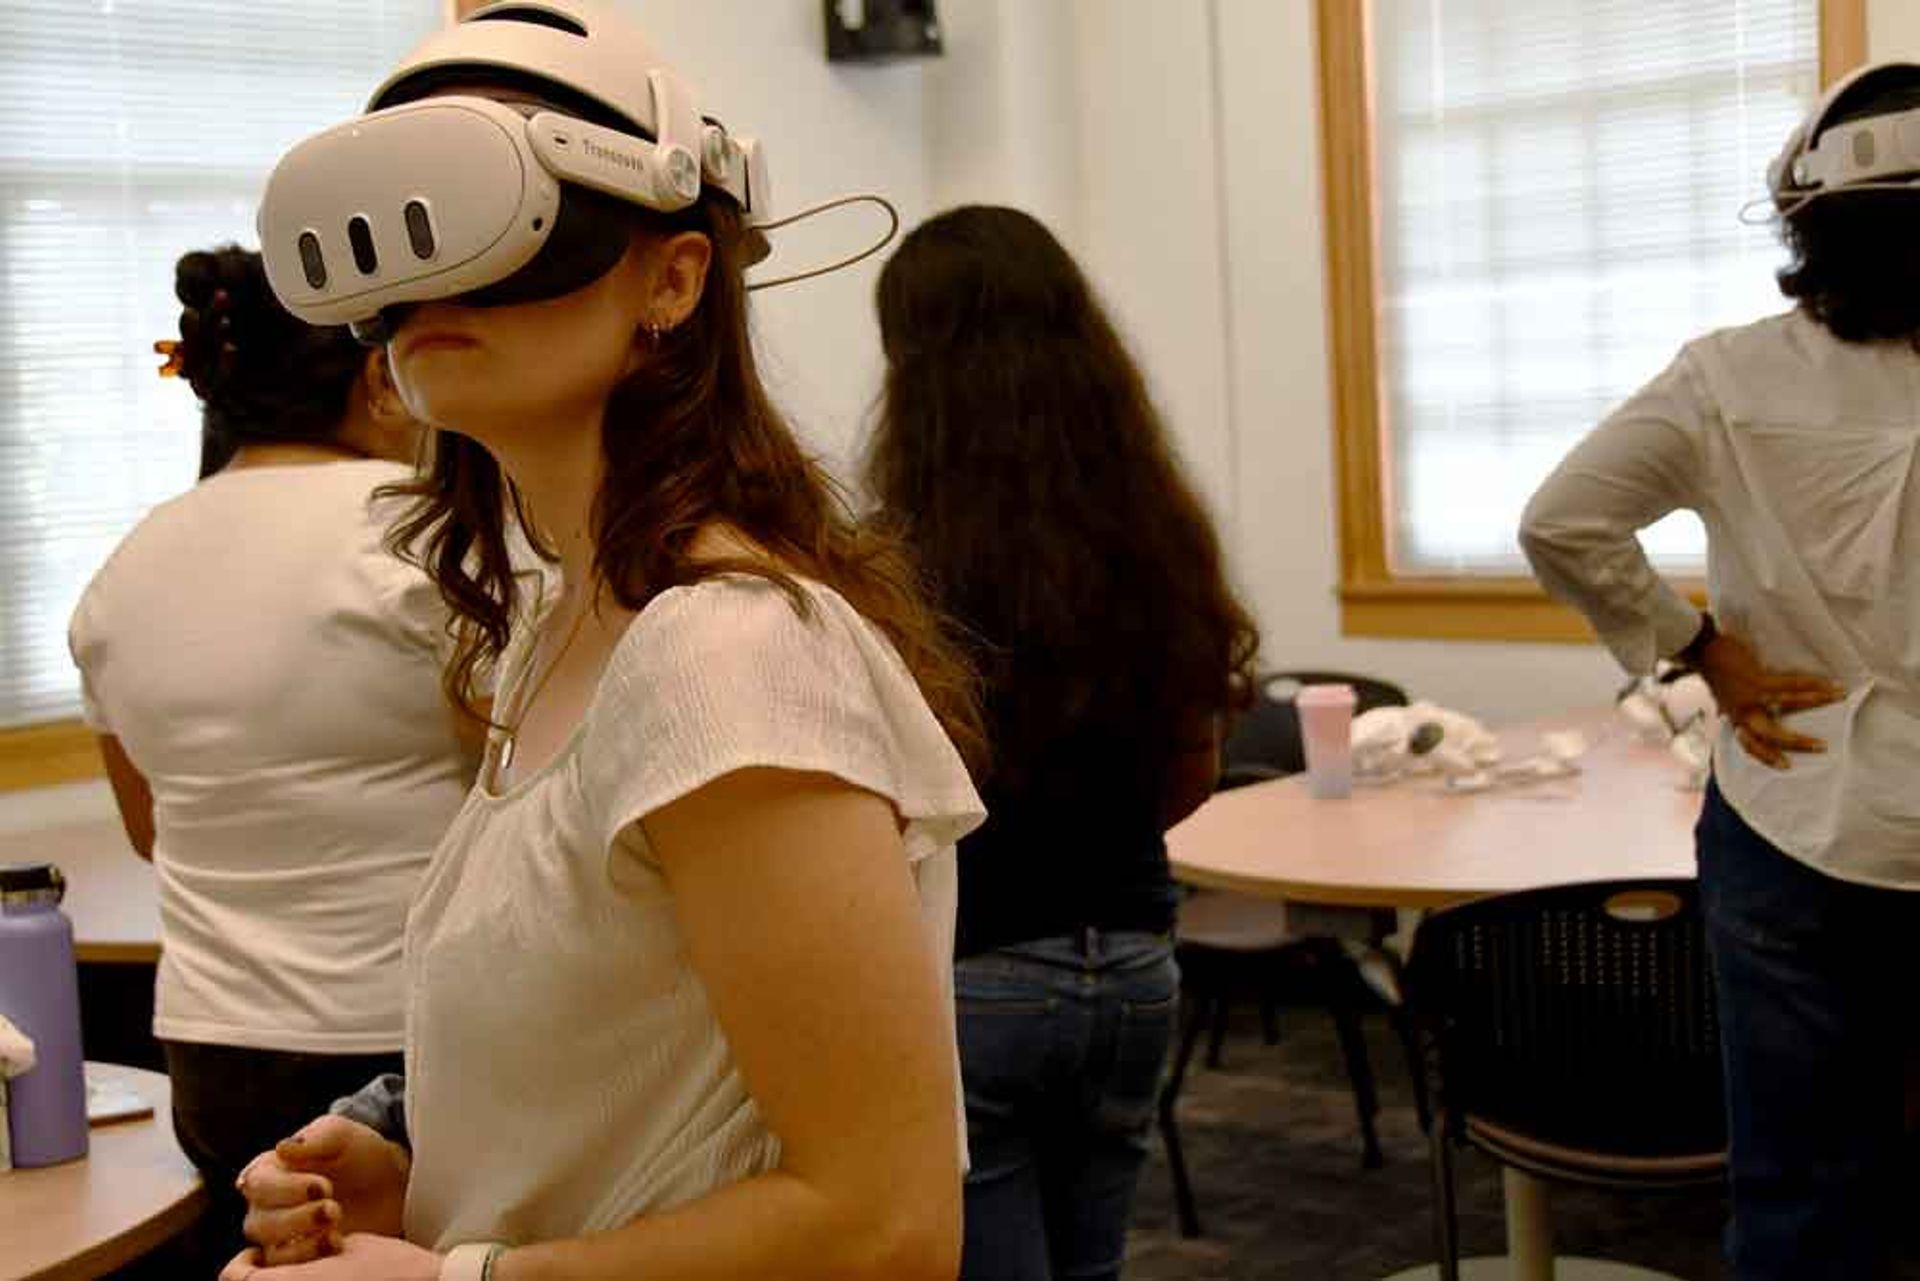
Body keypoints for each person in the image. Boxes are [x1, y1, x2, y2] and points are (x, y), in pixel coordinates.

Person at [224, 3, 986, 1278]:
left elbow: (885, 1225)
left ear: (674, 278)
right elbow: (651, 1095)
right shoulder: (566, 628)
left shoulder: (727, 658)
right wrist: (419, 1176)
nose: (429, 290)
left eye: (490, 219)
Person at [1519, 62, 1920, 1281]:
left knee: (1800, 1183)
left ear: (1802, 215)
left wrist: (1697, 647)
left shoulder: (1727, 378)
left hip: (1794, 812)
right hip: (1811, 825)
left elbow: (1562, 521)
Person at [863, 205, 1259, 1281]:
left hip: (974, 970)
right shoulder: (1157, 529)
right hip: (1136, 963)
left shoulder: (892, 564)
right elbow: (1191, 771)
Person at [65, 245, 477, 1265]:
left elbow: (152, 829)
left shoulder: (124, 569)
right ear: (380, 376)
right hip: (404, 1052)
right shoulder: (425, 535)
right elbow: (523, 787)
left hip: (212, 1055)